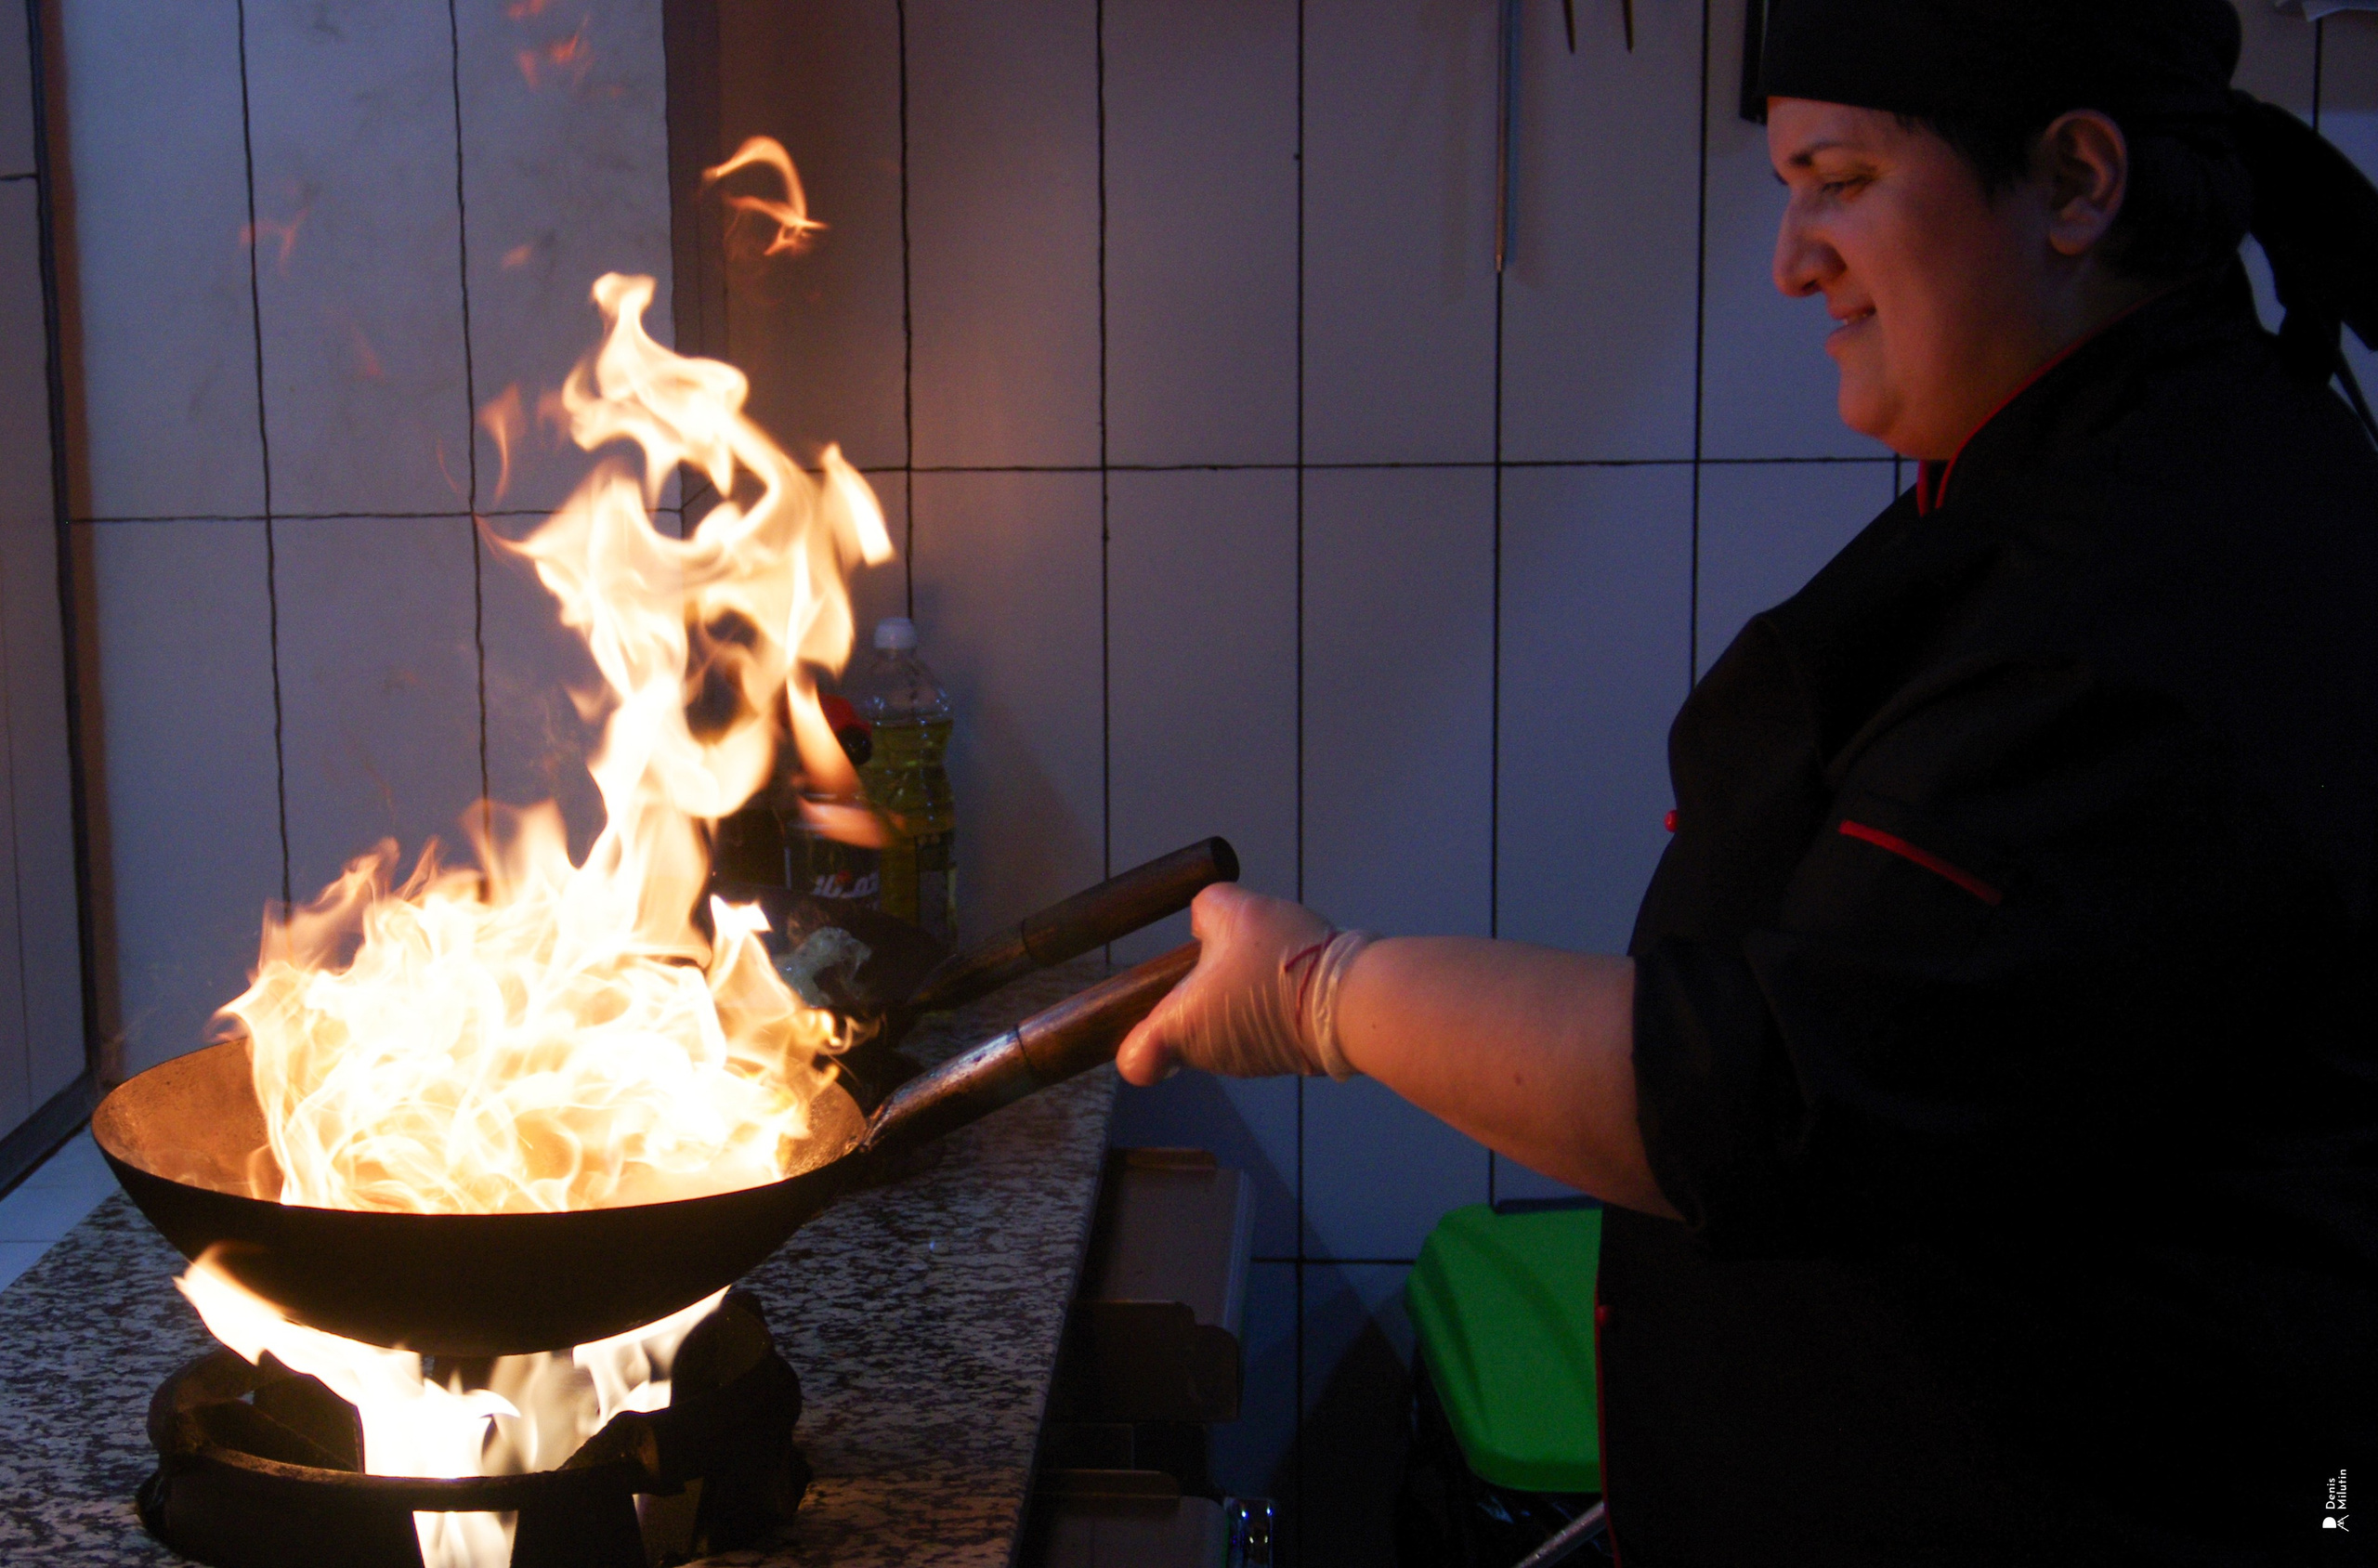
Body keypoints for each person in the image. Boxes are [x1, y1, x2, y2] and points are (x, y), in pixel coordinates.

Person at [1115, 1, 2378, 1561]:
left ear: (2076, 183)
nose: (1792, 258)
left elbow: (1767, 1091)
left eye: (1839, 179)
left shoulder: (2150, 589)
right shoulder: (2085, 473)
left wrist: (1323, 993)